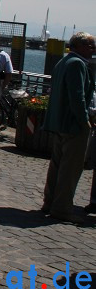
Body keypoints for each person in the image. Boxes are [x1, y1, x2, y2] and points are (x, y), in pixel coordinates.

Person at [41, 32, 96, 224]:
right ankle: (62, 208)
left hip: (58, 122)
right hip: (72, 125)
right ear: (80, 46)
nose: (93, 50)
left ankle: (50, 202)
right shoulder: (78, 65)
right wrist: (84, 121)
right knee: (70, 168)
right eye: (91, 46)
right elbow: (77, 96)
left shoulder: (63, 62)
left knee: (57, 165)